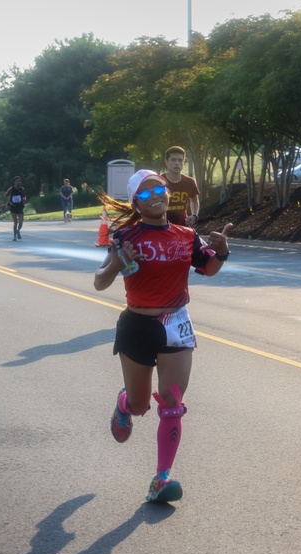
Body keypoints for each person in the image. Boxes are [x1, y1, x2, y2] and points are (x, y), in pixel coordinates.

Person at [93, 169, 231, 503]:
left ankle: (161, 478)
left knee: (172, 401)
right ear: (135, 203)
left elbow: (209, 268)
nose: (155, 197)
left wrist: (222, 251)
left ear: (169, 195)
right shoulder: (126, 236)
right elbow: (99, 281)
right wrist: (116, 264)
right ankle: (126, 404)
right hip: (137, 326)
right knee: (142, 405)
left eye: (160, 190)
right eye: (144, 194)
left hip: (176, 324)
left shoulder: (186, 234)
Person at [161, 145, 200, 227]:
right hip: (162, 227)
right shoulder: (158, 182)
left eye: (180, 160)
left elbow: (194, 200)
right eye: (173, 160)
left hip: (183, 226)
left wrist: (194, 215)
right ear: (166, 162)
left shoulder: (190, 182)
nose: (177, 163)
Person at [3, 176, 27, 241]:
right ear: (14, 182)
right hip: (13, 206)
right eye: (17, 181)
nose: (18, 182)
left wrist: (24, 199)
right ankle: (14, 236)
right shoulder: (11, 189)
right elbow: (5, 195)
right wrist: (9, 202)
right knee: (15, 222)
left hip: (20, 206)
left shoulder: (22, 189)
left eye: (19, 181)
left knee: (21, 222)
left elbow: (24, 196)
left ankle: (18, 230)